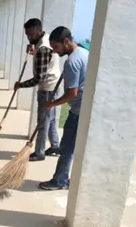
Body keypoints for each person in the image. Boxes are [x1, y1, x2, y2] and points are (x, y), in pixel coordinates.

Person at [39, 26, 89, 190]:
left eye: (56, 47)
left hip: (78, 111)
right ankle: (63, 179)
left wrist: (52, 103)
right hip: (84, 109)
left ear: (66, 41)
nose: (54, 51)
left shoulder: (72, 61)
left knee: (66, 148)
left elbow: (72, 93)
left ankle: (59, 181)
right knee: (70, 147)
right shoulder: (82, 53)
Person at [14, 18, 61, 162]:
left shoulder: (42, 48)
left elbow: (39, 78)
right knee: (50, 119)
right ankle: (55, 146)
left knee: (42, 122)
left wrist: (20, 85)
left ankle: (39, 152)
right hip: (53, 85)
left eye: (31, 34)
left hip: (47, 88)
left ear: (39, 30)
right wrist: (33, 50)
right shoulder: (45, 40)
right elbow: (44, 62)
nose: (29, 37)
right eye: (27, 34)